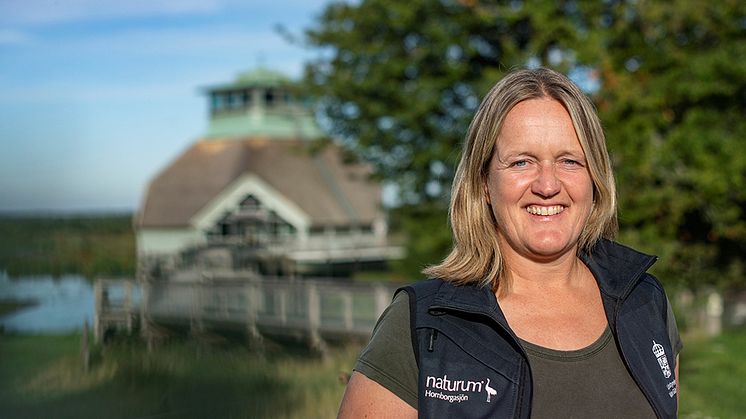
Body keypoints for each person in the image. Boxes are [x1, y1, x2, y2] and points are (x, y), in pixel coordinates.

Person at [337, 67, 682, 418]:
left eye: (569, 161)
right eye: (521, 162)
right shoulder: (424, 323)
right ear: (484, 182)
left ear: (594, 178)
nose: (548, 185)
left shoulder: (644, 302)